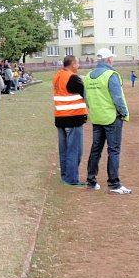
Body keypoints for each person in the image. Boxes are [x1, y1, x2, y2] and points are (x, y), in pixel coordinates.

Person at [84, 48, 132, 194]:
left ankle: (91, 181)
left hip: (97, 117)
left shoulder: (88, 76)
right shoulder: (111, 74)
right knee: (114, 150)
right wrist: (124, 113)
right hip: (111, 117)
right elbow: (118, 97)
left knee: (96, 149)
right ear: (109, 59)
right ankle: (114, 184)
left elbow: (86, 98)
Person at [53, 55, 88, 186]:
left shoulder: (58, 76)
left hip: (61, 117)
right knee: (75, 150)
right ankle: (71, 178)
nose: (78, 66)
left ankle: (65, 175)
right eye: (78, 63)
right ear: (73, 64)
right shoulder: (72, 77)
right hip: (73, 118)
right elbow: (85, 94)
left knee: (64, 150)